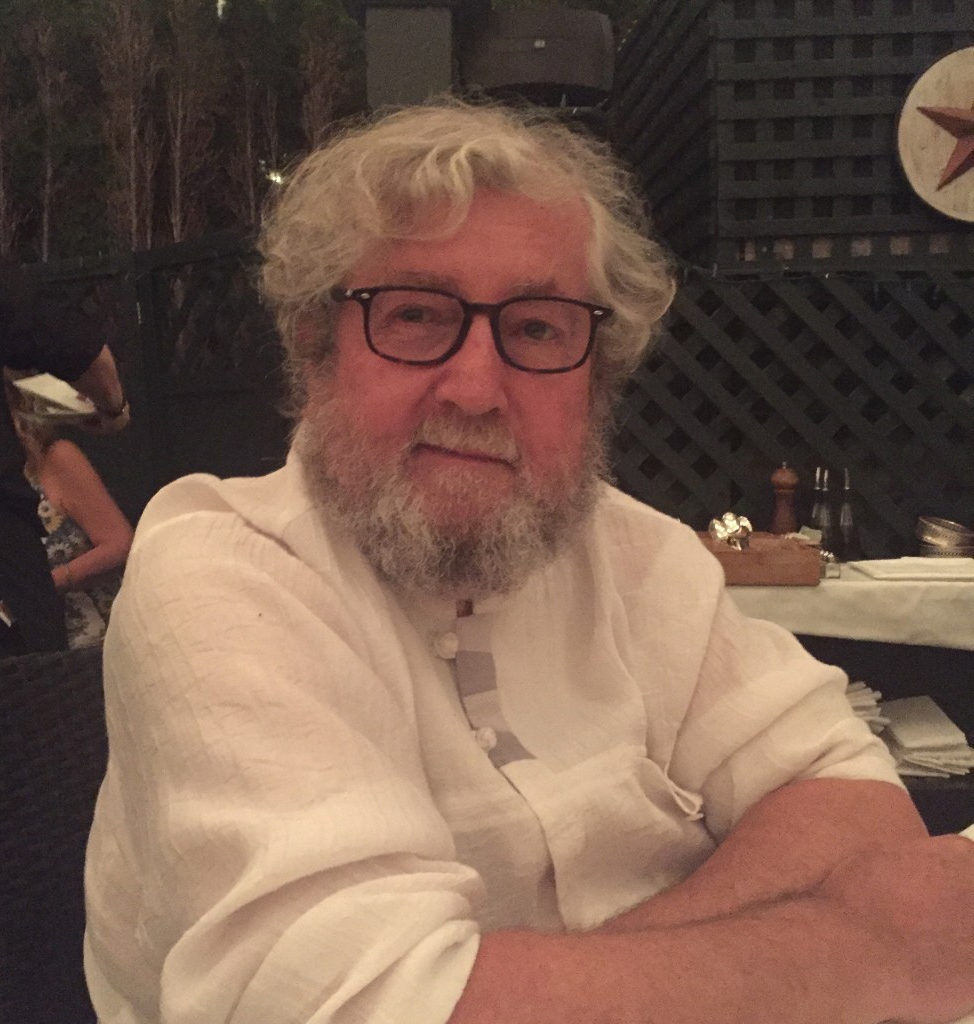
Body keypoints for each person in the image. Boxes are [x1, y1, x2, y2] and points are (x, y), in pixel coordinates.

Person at [84, 99, 974, 1024]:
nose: (476, 388)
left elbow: (851, 802)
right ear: (316, 353)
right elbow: (363, 1006)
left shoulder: (641, 557)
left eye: (540, 328)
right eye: (416, 314)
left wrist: (551, 983)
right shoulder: (224, 572)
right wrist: (865, 945)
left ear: (596, 376)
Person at [0, 232, 130, 660]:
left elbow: (119, 541)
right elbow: (77, 350)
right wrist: (113, 406)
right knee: (20, 688)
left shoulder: (56, 457)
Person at [9, 388, 134, 648]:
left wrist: (47, 584)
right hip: (21, 646)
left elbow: (119, 543)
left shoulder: (54, 459)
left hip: (93, 640)